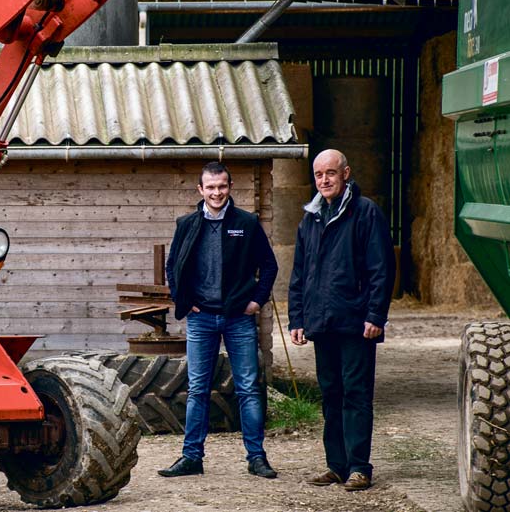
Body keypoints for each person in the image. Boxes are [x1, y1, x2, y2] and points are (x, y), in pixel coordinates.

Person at [159, 161, 278, 479]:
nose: (216, 192)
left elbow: (269, 266)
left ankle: (256, 457)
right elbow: (173, 267)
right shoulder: (186, 224)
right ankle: (191, 457)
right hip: (201, 319)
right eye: (210, 187)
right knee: (197, 389)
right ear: (200, 190)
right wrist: (183, 300)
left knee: (248, 389)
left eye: (222, 186)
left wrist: (257, 300)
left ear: (230, 187)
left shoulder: (246, 223)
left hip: (238, 318)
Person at [288, 149, 395, 492]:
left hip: (355, 322)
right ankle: (336, 465)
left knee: (356, 394)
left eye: (331, 173)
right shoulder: (311, 218)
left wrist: (376, 314)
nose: (324, 180)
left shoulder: (365, 213)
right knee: (331, 394)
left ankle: (359, 467)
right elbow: (299, 274)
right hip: (322, 323)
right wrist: (298, 317)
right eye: (319, 175)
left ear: (346, 173)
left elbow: (382, 269)